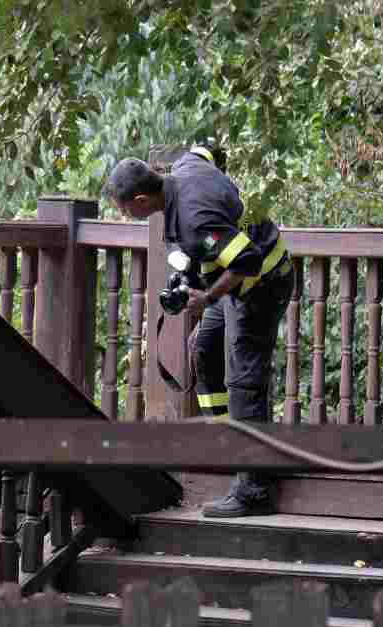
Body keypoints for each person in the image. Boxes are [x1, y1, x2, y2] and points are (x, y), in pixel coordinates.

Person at [106, 145, 294, 517]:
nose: (124, 215)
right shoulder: (187, 165)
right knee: (204, 347)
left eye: (123, 209)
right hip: (238, 286)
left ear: (142, 200)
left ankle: (255, 489)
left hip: (262, 283)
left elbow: (247, 260)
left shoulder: (194, 220)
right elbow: (209, 149)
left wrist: (207, 297)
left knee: (244, 380)